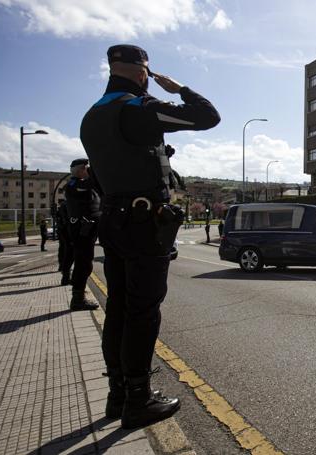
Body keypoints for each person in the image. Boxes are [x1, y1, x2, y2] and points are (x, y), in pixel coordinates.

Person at [80, 44, 220, 429]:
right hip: (143, 225)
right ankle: (139, 400)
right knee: (143, 311)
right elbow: (208, 117)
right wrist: (179, 89)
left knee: (120, 309)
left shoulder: (92, 115)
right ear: (143, 72)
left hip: (112, 221)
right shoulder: (137, 108)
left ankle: (118, 394)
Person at [64, 158, 101, 311]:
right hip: (82, 230)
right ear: (80, 170)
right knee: (83, 263)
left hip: (88, 229)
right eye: (86, 168)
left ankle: (79, 295)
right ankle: (78, 299)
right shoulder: (74, 184)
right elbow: (89, 184)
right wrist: (95, 171)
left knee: (85, 262)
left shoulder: (84, 185)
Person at [56, 200, 74, 285]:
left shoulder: (63, 206)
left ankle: (65, 276)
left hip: (64, 231)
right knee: (70, 254)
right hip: (69, 231)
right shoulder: (68, 204)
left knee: (66, 252)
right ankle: (66, 277)